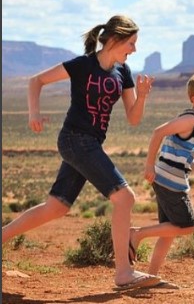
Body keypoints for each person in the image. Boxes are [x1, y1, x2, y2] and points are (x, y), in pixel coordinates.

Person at [1, 15, 160, 291]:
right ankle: (124, 272)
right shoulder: (83, 65)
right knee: (125, 198)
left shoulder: (123, 72)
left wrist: (143, 96)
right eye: (131, 43)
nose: (134, 49)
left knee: (57, 207)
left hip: (90, 144)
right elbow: (36, 81)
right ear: (115, 39)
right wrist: (34, 113)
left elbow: (133, 119)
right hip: (75, 139)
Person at [129, 73, 194, 287]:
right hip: (170, 182)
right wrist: (148, 165)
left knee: (169, 230)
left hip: (167, 180)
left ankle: (151, 277)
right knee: (188, 226)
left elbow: (186, 159)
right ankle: (137, 235)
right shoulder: (190, 119)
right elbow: (158, 132)